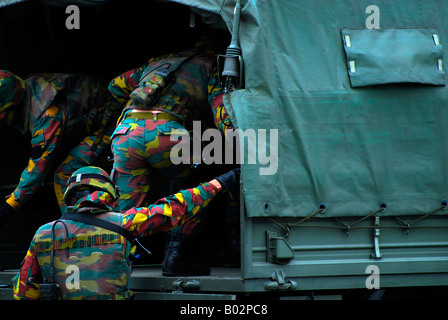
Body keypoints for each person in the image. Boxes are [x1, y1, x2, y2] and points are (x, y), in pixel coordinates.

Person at [12, 165, 239, 300]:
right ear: (108, 192)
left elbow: (23, 291)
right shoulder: (125, 223)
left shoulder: (44, 234)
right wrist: (219, 183)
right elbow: (175, 206)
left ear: (71, 195)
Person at [0, 70, 122, 227]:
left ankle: (77, 229)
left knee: (65, 174)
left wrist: (7, 209)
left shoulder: (47, 114)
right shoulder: (29, 87)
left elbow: (38, 169)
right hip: (97, 121)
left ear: (11, 103)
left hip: (112, 123)